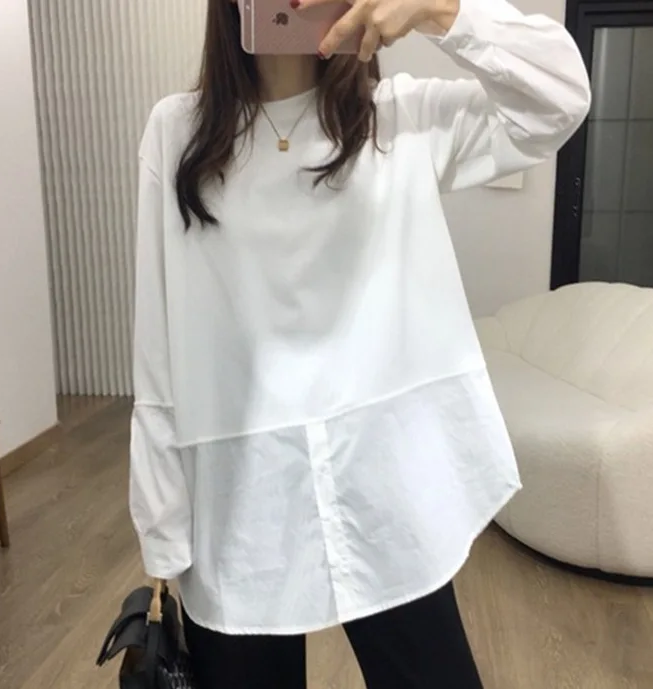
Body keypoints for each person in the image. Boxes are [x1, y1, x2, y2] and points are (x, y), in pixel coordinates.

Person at [129, 0, 590, 685]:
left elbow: (558, 100)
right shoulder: (177, 133)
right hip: (238, 504)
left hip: (386, 486)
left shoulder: (399, 118)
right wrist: (162, 527)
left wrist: (440, 9)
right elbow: (157, 345)